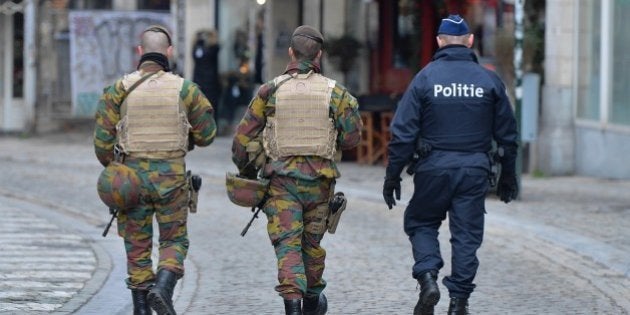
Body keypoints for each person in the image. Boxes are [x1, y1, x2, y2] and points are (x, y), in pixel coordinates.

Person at [382, 15, 519, 315]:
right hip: (474, 170)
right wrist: (508, 175)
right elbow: (508, 135)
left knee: (420, 222)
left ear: (439, 41)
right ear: (470, 41)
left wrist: (392, 176)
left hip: (433, 168)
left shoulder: (426, 78)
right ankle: (459, 302)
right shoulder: (489, 80)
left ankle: (428, 275)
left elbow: (403, 133)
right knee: (467, 235)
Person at [230, 25, 362, 315]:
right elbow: (353, 138)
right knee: (311, 244)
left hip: (281, 184)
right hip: (320, 183)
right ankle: (313, 302)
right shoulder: (336, 93)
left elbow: (241, 142)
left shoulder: (269, 91)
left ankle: (294, 308)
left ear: (291, 52)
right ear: (320, 55)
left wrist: (248, 172)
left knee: (288, 245)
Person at [93, 25, 217, 315]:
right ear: (169, 52)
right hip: (172, 178)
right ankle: (163, 287)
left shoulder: (118, 90)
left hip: (131, 179)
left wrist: (116, 170)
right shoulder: (185, 89)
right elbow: (208, 134)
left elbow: (102, 143)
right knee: (174, 239)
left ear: (139, 51)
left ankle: (140, 309)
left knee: (136, 244)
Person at [192, 29, 222, 121]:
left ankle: (211, 126)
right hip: (203, 82)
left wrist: (206, 33)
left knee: (208, 106)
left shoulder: (213, 49)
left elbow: (216, 44)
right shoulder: (199, 48)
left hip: (210, 83)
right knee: (202, 106)